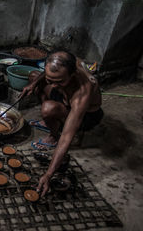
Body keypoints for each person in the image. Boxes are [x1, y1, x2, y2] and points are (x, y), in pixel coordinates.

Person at [20, 50, 103, 197]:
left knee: (48, 109)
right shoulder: (70, 61)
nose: (53, 85)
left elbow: (66, 138)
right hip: (64, 99)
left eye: (59, 81)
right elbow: (49, 79)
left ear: (72, 74)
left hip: (87, 116)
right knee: (34, 76)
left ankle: (53, 135)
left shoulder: (83, 91)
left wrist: (48, 175)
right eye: (50, 79)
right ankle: (51, 121)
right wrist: (33, 84)